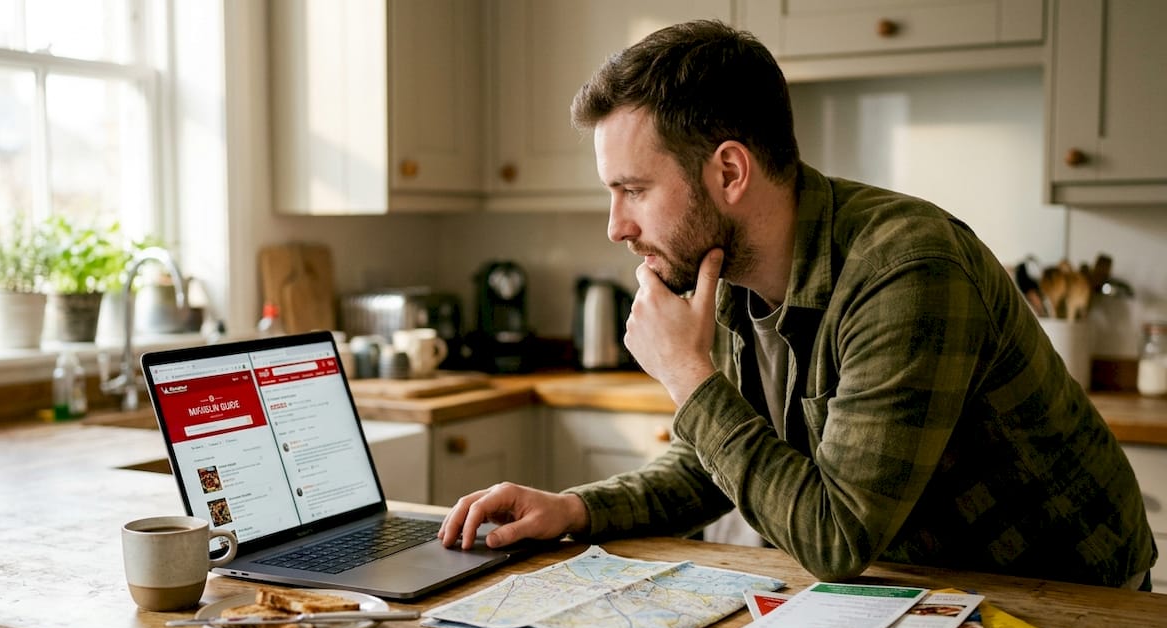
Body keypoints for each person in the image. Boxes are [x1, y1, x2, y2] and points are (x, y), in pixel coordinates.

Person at [438, 20, 1157, 590]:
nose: (615, 225)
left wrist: (687, 375)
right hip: (927, 587)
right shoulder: (724, 272)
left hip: (1069, 594)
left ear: (728, 171)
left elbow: (835, 538)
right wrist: (575, 509)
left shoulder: (908, 270)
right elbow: (708, 461)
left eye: (633, 189)